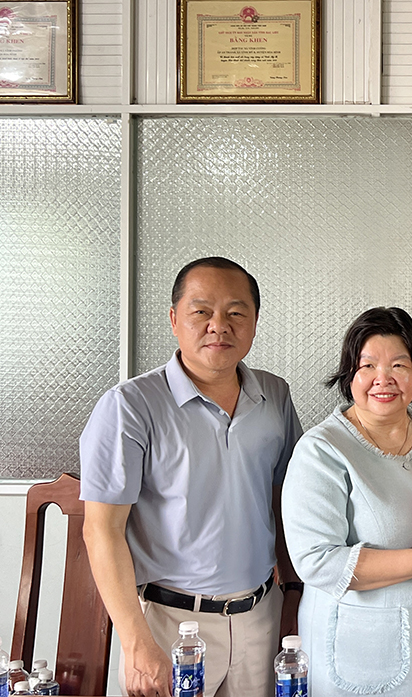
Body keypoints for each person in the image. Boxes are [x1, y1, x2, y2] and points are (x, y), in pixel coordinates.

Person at [80, 257, 303, 697]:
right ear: (174, 319)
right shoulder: (130, 406)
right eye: (201, 311)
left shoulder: (275, 394)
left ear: (255, 322)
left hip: (262, 615)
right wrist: (136, 642)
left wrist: (294, 592)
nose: (219, 326)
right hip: (171, 626)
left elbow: (285, 497)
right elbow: (101, 530)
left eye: (236, 312)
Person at [281, 307, 412, 697]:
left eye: (398, 365)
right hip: (358, 662)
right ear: (349, 374)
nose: (383, 378)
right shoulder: (321, 450)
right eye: (368, 365)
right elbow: (316, 562)